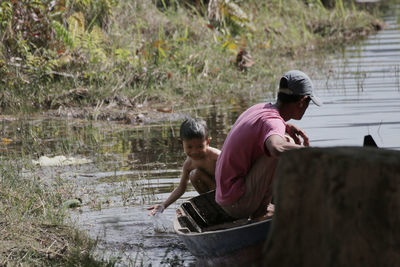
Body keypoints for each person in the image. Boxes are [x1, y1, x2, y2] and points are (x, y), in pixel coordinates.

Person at [215, 70, 322, 220]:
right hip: (237, 203)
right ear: (301, 102)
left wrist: (287, 126)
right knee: (284, 146)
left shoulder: (261, 108)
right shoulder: (273, 122)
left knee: (285, 140)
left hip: (225, 196)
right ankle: (262, 210)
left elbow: (264, 128)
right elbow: (276, 147)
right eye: (308, 103)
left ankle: (266, 204)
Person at [148, 117, 221, 215]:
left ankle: (219, 203)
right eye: (189, 147)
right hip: (212, 196)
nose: (195, 151)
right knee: (194, 174)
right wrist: (163, 205)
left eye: (200, 146)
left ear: (207, 142)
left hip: (226, 192)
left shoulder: (217, 156)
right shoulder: (189, 164)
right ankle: (211, 204)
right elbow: (181, 188)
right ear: (181, 144)